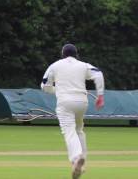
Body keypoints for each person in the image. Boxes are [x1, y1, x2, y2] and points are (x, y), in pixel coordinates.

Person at [41, 43, 105, 178]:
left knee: (69, 131)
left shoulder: (55, 65)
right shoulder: (83, 65)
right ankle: (82, 163)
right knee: (79, 130)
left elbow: (45, 86)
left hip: (65, 102)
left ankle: (77, 158)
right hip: (82, 102)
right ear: (76, 54)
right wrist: (100, 95)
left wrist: (57, 89)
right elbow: (98, 74)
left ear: (62, 54)